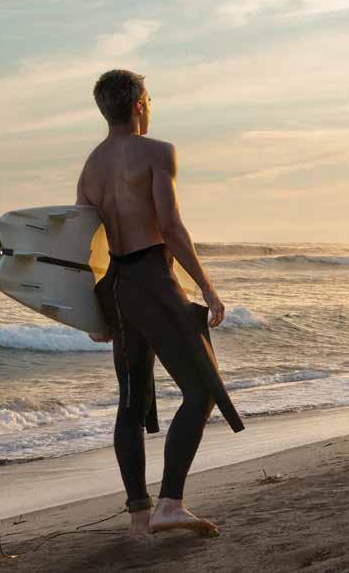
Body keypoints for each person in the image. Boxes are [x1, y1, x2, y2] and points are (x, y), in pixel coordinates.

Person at [75, 69, 244, 537]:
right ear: (139, 105)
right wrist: (207, 288)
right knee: (203, 388)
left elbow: (85, 248)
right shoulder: (156, 152)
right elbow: (170, 228)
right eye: (149, 99)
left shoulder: (90, 168)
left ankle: (138, 515)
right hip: (152, 276)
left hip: (116, 287)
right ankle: (170, 502)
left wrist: (94, 310)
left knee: (131, 402)